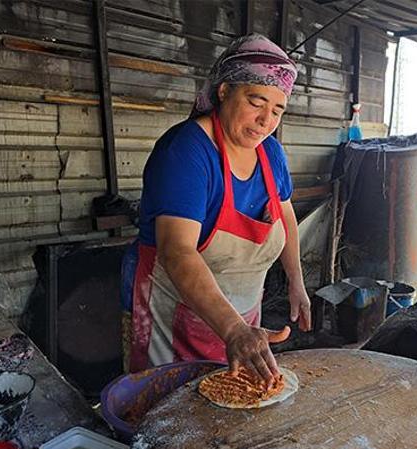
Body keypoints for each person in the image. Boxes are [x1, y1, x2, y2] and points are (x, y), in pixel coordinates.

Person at [129, 34, 311, 385]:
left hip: (243, 317)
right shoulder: (186, 151)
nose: (265, 120)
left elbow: (284, 215)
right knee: (170, 411)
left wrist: (296, 282)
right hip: (173, 319)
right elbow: (177, 251)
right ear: (224, 91)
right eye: (256, 102)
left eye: (277, 110)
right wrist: (233, 329)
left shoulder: (271, 153)